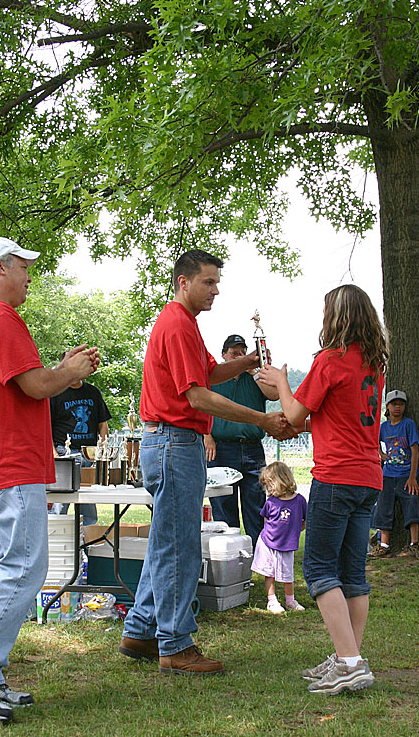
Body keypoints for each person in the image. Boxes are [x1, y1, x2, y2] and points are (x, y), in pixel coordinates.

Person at [119, 249, 293, 675]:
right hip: (175, 444)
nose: (216, 290)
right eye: (209, 282)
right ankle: (175, 645)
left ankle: (140, 631)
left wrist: (244, 364)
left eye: (217, 282)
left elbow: (206, 374)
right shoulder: (177, 324)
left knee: (165, 541)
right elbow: (196, 396)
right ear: (183, 281)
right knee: (180, 548)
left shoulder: (185, 325)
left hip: (171, 444)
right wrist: (262, 419)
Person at [0, 236, 99, 721]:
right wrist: (68, 371)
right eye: (23, 265)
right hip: (6, 465)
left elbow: (22, 384)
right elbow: (35, 386)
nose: (30, 275)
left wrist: (60, 370)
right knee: (26, 568)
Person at [260, 284, 387, 695]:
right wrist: (287, 399)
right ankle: (350, 656)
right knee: (353, 572)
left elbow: (295, 413)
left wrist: (280, 381)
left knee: (318, 569)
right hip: (369, 477)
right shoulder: (372, 365)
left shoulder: (329, 361)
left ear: (336, 317)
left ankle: (349, 662)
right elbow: (327, 419)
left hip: (336, 477)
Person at [204, 334, 279, 548]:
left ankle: (259, 557)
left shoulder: (255, 377)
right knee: (223, 507)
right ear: (224, 355)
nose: (239, 356)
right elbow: (199, 405)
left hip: (252, 449)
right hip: (221, 448)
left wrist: (255, 371)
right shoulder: (215, 378)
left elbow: (274, 395)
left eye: (242, 352)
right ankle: (230, 555)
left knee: (256, 506)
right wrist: (206, 436)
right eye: (234, 353)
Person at [370, 390, 419, 560]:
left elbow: (415, 450)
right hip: (387, 475)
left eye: (401, 404)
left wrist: (412, 477)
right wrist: (380, 453)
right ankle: (384, 545)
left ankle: (415, 543)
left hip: (405, 475)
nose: (397, 407)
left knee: (412, 503)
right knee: (383, 507)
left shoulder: (408, 424)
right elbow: (373, 441)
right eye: (394, 404)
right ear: (387, 406)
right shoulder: (384, 427)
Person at [50, 371, 111, 526]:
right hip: (65, 454)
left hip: (89, 455)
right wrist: (54, 454)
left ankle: (86, 545)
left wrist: (103, 451)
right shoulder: (55, 393)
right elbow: (46, 427)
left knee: (88, 504)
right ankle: (58, 543)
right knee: (60, 505)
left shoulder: (93, 392)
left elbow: (102, 424)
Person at [251, 461, 307, 613]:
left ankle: (290, 600)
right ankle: (272, 601)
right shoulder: (271, 502)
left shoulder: (300, 501)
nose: (268, 489)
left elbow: (305, 520)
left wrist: (294, 531)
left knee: (287, 574)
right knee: (270, 573)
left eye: (270, 484)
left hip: (287, 545)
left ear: (281, 480)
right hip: (268, 543)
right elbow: (266, 521)